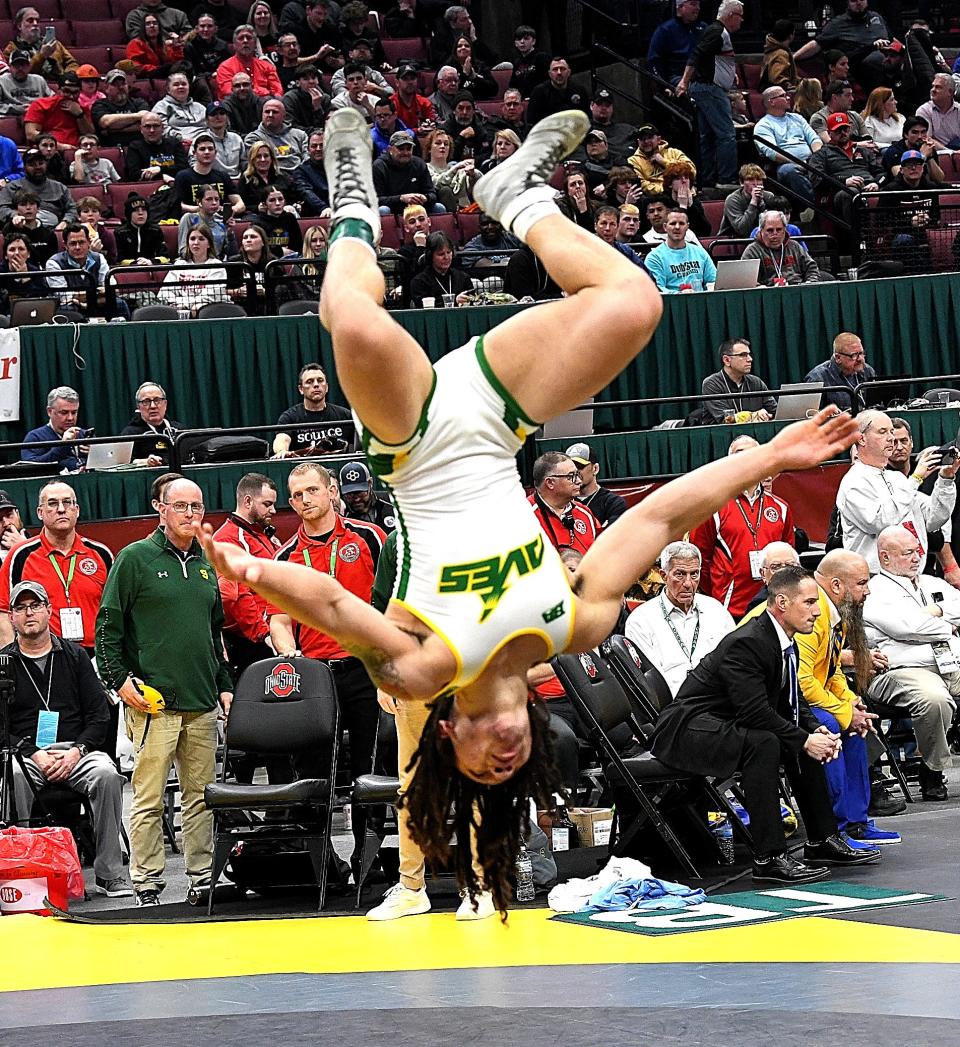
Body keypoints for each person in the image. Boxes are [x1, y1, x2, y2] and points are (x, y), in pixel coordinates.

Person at [200, 106, 860, 915]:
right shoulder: (569, 628)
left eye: (483, 762)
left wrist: (253, 568)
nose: (505, 751)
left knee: (358, 324)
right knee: (635, 302)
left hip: (411, 443)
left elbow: (334, 601)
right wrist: (768, 455)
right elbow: (652, 524)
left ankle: (352, 209)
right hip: (494, 414)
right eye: (512, 768)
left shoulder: (421, 666)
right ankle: (518, 195)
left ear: (453, 734)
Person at [650, 565, 881, 883]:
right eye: (810, 602)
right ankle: (769, 856)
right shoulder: (748, 642)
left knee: (801, 737)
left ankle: (822, 840)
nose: (817, 611)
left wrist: (815, 730)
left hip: (724, 723)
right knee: (766, 742)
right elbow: (755, 713)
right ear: (782, 603)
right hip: (687, 730)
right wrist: (803, 739)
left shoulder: (788, 641)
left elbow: (794, 701)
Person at [97, 477, 232, 906]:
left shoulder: (208, 563)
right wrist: (120, 682)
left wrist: (224, 684)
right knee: (149, 799)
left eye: (197, 506)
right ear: (161, 508)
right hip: (151, 703)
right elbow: (107, 630)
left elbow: (215, 634)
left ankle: (200, 877)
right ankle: (147, 883)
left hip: (202, 702)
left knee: (200, 798)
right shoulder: (134, 559)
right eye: (181, 507)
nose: (191, 515)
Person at [269, 462, 385, 866]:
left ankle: (366, 860)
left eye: (312, 491)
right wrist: (288, 655)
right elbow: (279, 619)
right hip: (316, 675)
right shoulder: (286, 556)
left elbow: (392, 598)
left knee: (369, 766)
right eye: (296, 495)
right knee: (315, 768)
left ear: (332, 490)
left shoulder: (369, 537)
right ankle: (323, 864)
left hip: (366, 668)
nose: (304, 501)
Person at [6, 579, 130, 899]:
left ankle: (110, 873)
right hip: (28, 755)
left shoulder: (75, 657)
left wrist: (77, 752)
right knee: (13, 775)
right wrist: (34, 753)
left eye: (35, 606)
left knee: (106, 774)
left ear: (49, 611)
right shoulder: (2, 664)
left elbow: (99, 716)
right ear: (11, 618)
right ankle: (24, 871)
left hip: (77, 751)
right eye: (20, 608)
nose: (29, 613)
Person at [795, 549, 902, 845]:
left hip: (806, 696)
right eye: (862, 583)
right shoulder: (810, 610)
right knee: (831, 725)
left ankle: (856, 821)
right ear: (837, 585)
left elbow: (830, 669)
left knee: (857, 727)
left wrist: (850, 702)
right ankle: (835, 829)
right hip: (782, 702)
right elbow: (800, 680)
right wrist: (843, 713)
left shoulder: (835, 611)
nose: (867, 591)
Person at [864, 525, 960, 802]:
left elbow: (920, 623)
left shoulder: (934, 583)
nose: (917, 557)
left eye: (917, 550)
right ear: (885, 558)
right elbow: (907, 627)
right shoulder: (875, 591)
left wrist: (937, 611)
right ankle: (932, 768)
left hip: (950, 662)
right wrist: (947, 625)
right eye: (907, 553)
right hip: (901, 671)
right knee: (934, 699)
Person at [0, 480, 114, 656]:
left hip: (97, 655)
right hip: (43, 655)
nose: (61, 509)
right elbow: (3, 612)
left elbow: (116, 611)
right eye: (52, 503)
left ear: (77, 510)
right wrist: (9, 664)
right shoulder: (20, 555)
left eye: (67, 502)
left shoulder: (101, 554)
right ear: (40, 512)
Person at [837, 410, 957, 573]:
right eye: (882, 432)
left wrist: (945, 480)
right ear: (861, 438)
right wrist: (915, 479)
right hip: (875, 579)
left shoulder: (897, 479)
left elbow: (934, 519)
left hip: (913, 574)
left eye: (891, 432)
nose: (891, 438)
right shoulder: (854, 481)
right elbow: (881, 521)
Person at [691, 434, 795, 618]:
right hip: (730, 608)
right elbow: (700, 560)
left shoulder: (781, 508)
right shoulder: (712, 507)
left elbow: (789, 557)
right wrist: (722, 589)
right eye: (740, 454)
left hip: (773, 607)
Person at [625, 541, 735, 697]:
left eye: (694, 574)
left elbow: (735, 662)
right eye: (680, 574)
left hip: (719, 701)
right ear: (663, 576)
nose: (688, 583)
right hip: (674, 707)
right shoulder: (641, 621)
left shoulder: (716, 610)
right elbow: (649, 683)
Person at [213, 472, 281, 677]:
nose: (274, 510)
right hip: (252, 641)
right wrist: (263, 634)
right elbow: (236, 596)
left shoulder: (260, 533)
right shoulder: (230, 539)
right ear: (248, 501)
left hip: (267, 631)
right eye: (267, 504)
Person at [675, 0, 743, 190]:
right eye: (740, 16)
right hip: (709, 89)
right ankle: (726, 179)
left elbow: (710, 58)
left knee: (708, 136)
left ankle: (707, 180)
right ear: (731, 16)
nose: (742, 20)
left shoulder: (716, 31)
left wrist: (729, 73)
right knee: (727, 134)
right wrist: (684, 81)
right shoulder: (717, 32)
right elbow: (696, 54)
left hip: (706, 88)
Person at [793, 0, 893, 95]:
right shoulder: (838, 24)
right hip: (861, 64)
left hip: (889, 55)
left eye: (861, 0)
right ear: (848, 3)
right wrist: (793, 57)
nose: (858, 3)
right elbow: (817, 43)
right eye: (854, 0)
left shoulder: (876, 17)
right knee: (875, 60)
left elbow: (892, 38)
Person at [753, 85, 822, 205]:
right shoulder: (763, 125)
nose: (789, 98)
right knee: (788, 171)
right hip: (787, 163)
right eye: (783, 96)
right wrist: (798, 162)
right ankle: (815, 205)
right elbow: (772, 153)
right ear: (772, 102)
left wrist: (818, 158)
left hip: (811, 161)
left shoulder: (797, 118)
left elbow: (814, 139)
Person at [271, 361, 353, 459]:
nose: (316, 385)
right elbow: (282, 439)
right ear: (301, 389)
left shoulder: (344, 415)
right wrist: (282, 451)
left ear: (326, 387)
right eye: (309, 382)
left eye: (320, 380)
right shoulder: (289, 417)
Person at [528, 451, 600, 556]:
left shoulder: (585, 513)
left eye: (577, 474)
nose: (579, 481)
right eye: (571, 476)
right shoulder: (523, 516)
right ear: (550, 483)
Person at [157, 223, 231, 317]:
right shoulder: (179, 264)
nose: (196, 242)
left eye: (201, 239)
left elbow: (211, 296)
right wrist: (180, 305)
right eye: (192, 239)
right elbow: (164, 292)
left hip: (209, 312)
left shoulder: (216, 266)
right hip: (179, 308)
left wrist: (184, 304)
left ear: (209, 244)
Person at [700, 337, 777, 424]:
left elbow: (775, 411)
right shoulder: (711, 384)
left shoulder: (756, 382)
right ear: (727, 360)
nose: (750, 359)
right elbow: (726, 419)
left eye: (749, 354)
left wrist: (769, 415)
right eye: (743, 355)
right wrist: (754, 416)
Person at [44, 223, 113, 317]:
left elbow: (112, 288)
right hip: (69, 306)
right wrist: (97, 293)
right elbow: (64, 297)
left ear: (89, 242)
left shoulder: (99, 258)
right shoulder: (54, 263)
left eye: (81, 242)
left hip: (96, 303)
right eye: (73, 243)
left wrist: (85, 299)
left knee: (119, 303)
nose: (77, 247)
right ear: (65, 245)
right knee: (69, 310)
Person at [644, 208, 716, 293]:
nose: (677, 227)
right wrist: (680, 294)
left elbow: (713, 280)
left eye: (681, 223)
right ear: (665, 227)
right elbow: (657, 290)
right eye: (673, 223)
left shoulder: (700, 252)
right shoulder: (654, 258)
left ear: (687, 227)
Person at [742, 210, 823, 286]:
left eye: (779, 230)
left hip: (797, 289)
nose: (775, 235)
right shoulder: (752, 251)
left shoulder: (795, 246)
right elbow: (746, 280)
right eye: (770, 230)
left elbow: (812, 268)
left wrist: (810, 283)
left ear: (784, 230)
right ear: (761, 231)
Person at [0, 148, 74, 229]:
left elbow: (72, 209)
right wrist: (14, 216)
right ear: (24, 167)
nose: (38, 167)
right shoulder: (13, 186)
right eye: (32, 164)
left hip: (55, 229)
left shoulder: (59, 187)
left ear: (46, 164)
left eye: (41, 163)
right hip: (22, 229)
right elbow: (2, 209)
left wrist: (66, 222)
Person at [803, 331, 877, 411]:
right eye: (854, 355)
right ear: (838, 358)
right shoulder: (817, 378)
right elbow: (811, 415)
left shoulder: (868, 371)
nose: (860, 359)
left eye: (861, 353)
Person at [174, 133, 245, 214]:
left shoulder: (223, 176)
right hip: (194, 221)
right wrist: (202, 209)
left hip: (220, 221)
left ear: (215, 153)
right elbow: (178, 205)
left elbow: (241, 205)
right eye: (202, 149)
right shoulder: (183, 176)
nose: (207, 152)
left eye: (210, 149)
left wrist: (227, 211)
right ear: (194, 153)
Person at [374, 131, 441, 216]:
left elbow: (432, 194)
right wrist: (401, 198)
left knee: (438, 207)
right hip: (392, 209)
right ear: (390, 149)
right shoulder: (379, 166)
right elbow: (376, 200)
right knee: (383, 210)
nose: (405, 153)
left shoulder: (419, 164)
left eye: (408, 149)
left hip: (416, 209)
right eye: (401, 149)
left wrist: (425, 198)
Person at [563, 441, 626, 528]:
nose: (575, 472)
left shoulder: (613, 503)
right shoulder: (562, 502)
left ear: (595, 468)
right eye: (570, 468)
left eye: (579, 466)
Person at [23, 72, 93, 149]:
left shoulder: (83, 109)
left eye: (75, 92)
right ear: (58, 90)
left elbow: (90, 136)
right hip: (48, 150)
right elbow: (31, 134)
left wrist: (80, 115)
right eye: (66, 91)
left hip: (76, 152)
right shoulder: (41, 104)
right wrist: (58, 146)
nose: (71, 96)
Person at [4, 7, 78, 79]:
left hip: (59, 85)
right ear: (19, 26)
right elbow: (18, 75)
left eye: (37, 21)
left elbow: (72, 63)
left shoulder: (53, 43)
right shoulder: (11, 49)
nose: (35, 24)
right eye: (30, 21)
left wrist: (67, 76)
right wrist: (42, 56)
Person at [119, 381, 182, 465]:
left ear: (165, 404)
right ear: (138, 407)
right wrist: (144, 462)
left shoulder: (179, 430)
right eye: (146, 401)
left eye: (157, 400)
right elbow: (122, 463)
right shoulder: (130, 434)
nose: (153, 406)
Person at [647, 0, 707, 87]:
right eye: (693, 4)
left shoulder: (703, 28)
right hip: (676, 77)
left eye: (699, 4)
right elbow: (654, 61)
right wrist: (663, 85)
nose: (698, 8)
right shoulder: (665, 29)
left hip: (702, 76)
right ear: (680, 7)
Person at [216, 24, 284, 99]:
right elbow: (229, 92)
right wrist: (264, 93)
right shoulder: (225, 67)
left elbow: (278, 91)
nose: (245, 41)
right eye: (241, 38)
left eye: (249, 38)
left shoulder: (266, 66)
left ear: (255, 44)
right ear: (234, 45)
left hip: (266, 106)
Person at [244, 97, 308, 174]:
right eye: (267, 112)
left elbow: (307, 161)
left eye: (275, 112)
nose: (270, 115)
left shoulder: (300, 135)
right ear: (262, 114)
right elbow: (258, 165)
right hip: (272, 178)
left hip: (300, 177)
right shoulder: (253, 138)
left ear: (284, 116)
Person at [627, 123, 695, 196]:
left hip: (685, 194)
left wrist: (664, 162)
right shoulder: (633, 161)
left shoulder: (674, 152)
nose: (646, 141)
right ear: (638, 142)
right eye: (642, 139)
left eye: (650, 137)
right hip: (656, 198)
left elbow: (692, 171)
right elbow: (642, 185)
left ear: (659, 139)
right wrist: (668, 190)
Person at [92, 68, 153, 149]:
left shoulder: (138, 102)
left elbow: (146, 122)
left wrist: (114, 130)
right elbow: (107, 122)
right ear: (106, 87)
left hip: (139, 148)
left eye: (123, 84)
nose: (120, 87)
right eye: (115, 84)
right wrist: (138, 116)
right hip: (111, 149)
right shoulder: (100, 105)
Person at [408, 230, 472, 307]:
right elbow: (423, 307)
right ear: (430, 256)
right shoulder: (419, 282)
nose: (446, 257)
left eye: (449, 252)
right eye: (441, 254)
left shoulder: (463, 277)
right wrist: (455, 301)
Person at [124, 113, 190, 184]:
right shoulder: (135, 147)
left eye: (155, 126)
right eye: (147, 126)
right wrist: (163, 176)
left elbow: (183, 167)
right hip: (149, 187)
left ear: (162, 128)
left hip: (176, 185)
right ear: (141, 129)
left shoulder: (174, 144)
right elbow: (134, 174)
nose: (152, 130)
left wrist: (159, 169)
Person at [526, 57, 590, 126]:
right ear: (549, 74)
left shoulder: (579, 90)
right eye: (555, 69)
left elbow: (587, 117)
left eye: (562, 69)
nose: (559, 73)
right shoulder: (539, 92)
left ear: (569, 72)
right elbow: (532, 121)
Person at [152, 70, 208, 147]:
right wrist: (180, 138)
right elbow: (161, 129)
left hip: (205, 142)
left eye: (184, 84)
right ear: (168, 89)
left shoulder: (199, 106)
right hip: (179, 144)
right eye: (176, 84)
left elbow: (211, 125)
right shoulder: (162, 106)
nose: (181, 87)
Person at [717, 163, 775, 238]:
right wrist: (753, 202)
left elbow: (773, 223)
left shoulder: (769, 196)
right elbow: (742, 230)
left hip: (764, 238)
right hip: (732, 240)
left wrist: (761, 203)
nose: (756, 183)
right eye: (750, 180)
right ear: (741, 183)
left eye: (759, 179)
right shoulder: (732, 199)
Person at [425, 128, 477, 211]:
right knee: (445, 190)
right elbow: (436, 183)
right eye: (438, 143)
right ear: (429, 149)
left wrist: (473, 175)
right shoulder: (426, 168)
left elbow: (471, 190)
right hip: (441, 210)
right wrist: (455, 169)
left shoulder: (456, 166)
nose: (442, 146)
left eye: (446, 144)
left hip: (465, 208)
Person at [882, 115, 944, 182]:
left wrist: (930, 157)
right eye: (915, 132)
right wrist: (922, 156)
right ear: (906, 134)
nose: (920, 136)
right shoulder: (894, 151)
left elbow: (939, 179)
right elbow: (902, 177)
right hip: (900, 188)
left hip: (924, 187)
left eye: (923, 132)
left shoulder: (927, 149)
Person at [338, 460, 396, 532]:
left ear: (370, 483)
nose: (356, 499)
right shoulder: (342, 513)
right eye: (350, 494)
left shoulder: (391, 502)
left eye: (360, 492)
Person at [0, 231, 47, 313]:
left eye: (21, 249)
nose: (17, 253)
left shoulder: (36, 272)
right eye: (12, 250)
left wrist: (25, 277)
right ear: (6, 256)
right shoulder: (1, 272)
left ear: (28, 254)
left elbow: (40, 302)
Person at [126, 12, 183, 79]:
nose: (152, 26)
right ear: (143, 28)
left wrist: (176, 47)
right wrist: (158, 68)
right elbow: (137, 67)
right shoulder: (135, 43)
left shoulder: (163, 44)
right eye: (148, 24)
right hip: (147, 75)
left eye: (155, 23)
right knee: (168, 67)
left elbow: (176, 62)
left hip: (165, 74)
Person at [0, 49, 52, 117]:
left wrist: (37, 107)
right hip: (13, 116)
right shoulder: (2, 81)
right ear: (10, 67)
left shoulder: (39, 80)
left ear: (29, 67)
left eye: (23, 65)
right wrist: (16, 109)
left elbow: (53, 99)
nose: (20, 69)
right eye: (16, 65)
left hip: (38, 115)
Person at [915, 73, 960, 150]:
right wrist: (951, 153)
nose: (933, 90)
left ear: (950, 92)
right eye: (933, 86)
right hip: (937, 154)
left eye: (938, 87)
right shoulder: (923, 110)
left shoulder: (959, 109)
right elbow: (926, 139)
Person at [392, 62, 437, 137]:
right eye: (405, 79)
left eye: (412, 78)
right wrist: (417, 130)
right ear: (397, 82)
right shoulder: (391, 103)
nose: (410, 82)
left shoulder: (425, 102)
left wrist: (431, 127)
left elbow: (433, 122)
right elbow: (391, 129)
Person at [184, 14, 230, 80]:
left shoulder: (223, 45)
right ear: (197, 29)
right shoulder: (190, 47)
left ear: (216, 29)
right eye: (202, 26)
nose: (206, 29)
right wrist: (210, 75)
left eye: (210, 26)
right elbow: (191, 72)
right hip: (199, 81)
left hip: (221, 77)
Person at [509, 24, 549, 98]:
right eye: (519, 39)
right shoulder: (517, 62)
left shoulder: (542, 57)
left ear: (533, 41)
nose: (522, 42)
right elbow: (512, 86)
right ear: (515, 44)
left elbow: (548, 82)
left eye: (526, 38)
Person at [220, 72, 263, 137]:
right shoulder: (225, 106)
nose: (242, 88)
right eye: (237, 86)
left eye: (245, 84)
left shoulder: (261, 103)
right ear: (232, 89)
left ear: (252, 86)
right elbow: (228, 131)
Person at [759, 19, 798, 90]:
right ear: (790, 36)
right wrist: (788, 85)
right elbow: (777, 77)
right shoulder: (781, 53)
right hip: (777, 90)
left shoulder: (771, 48)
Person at [0, 491, 27, 564]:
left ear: (17, 514)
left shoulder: (38, 544)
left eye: (9, 515)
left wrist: (23, 548)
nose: (6, 523)